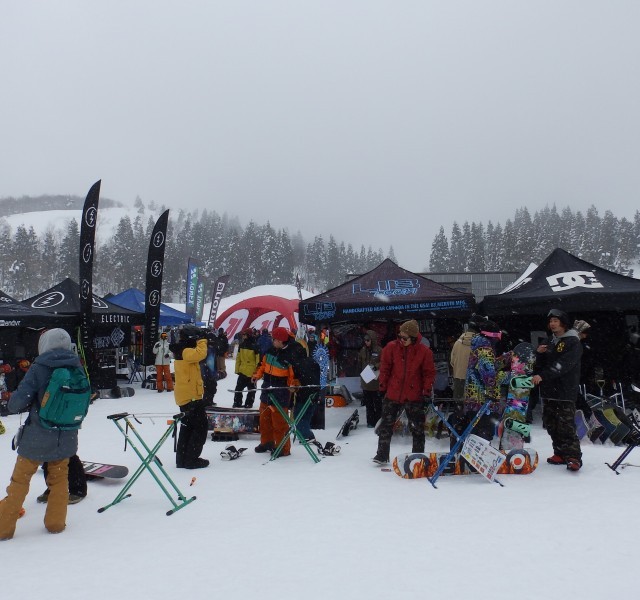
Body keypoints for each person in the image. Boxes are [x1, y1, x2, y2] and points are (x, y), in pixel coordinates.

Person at [0, 328, 82, 540]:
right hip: (66, 435)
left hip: (37, 435)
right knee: (59, 481)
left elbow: (17, 402)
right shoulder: (77, 367)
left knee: (20, 481)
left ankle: (4, 529)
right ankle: (55, 524)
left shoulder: (40, 367)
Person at [373, 320, 436, 465]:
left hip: (414, 396)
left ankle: (418, 456)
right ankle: (382, 455)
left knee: (417, 429)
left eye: (405, 338)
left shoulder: (424, 352)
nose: (401, 340)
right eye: (399, 336)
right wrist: (382, 388)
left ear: (413, 338)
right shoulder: (391, 347)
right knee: (386, 426)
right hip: (393, 393)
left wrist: (426, 392)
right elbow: (385, 369)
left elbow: (429, 373)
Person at [532, 309, 583, 472]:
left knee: (565, 424)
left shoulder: (573, 342)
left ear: (563, 322)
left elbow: (564, 365)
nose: (552, 324)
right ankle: (559, 453)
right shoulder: (549, 341)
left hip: (565, 390)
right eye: (550, 321)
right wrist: (538, 354)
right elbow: (540, 364)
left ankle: (573, 456)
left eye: (555, 320)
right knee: (551, 423)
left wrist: (543, 375)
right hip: (549, 391)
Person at [169, 325, 210, 469]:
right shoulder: (185, 351)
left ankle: (182, 459)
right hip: (191, 396)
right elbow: (201, 353)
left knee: (187, 428)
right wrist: (202, 340)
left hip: (186, 395)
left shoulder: (181, 349)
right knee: (199, 428)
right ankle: (191, 459)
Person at [251, 327, 296, 457]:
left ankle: (283, 448)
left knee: (279, 423)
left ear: (281, 341)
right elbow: (262, 366)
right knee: (264, 420)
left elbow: (293, 376)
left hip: (280, 392)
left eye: (275, 339)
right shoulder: (269, 351)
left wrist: (292, 386)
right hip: (267, 388)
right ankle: (267, 442)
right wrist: (257, 375)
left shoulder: (290, 356)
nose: (272, 341)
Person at [358, 330, 383, 428]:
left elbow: (385, 362)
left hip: (376, 382)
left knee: (378, 404)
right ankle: (370, 422)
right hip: (366, 381)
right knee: (369, 405)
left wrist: (376, 366)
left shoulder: (380, 350)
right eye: (365, 340)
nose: (366, 342)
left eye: (368, 340)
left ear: (372, 340)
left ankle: (378, 422)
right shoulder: (363, 350)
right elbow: (360, 362)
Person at [233, 329, 260, 408]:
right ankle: (248, 403)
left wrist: (237, 369)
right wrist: (256, 372)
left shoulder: (242, 345)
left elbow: (238, 358)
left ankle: (237, 403)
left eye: (244, 335)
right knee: (251, 390)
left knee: (239, 388)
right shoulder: (255, 346)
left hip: (243, 370)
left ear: (248, 335)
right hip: (251, 371)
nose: (243, 336)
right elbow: (257, 361)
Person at [574, 319, 593, 419]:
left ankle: (587, 414)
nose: (586, 336)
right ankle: (587, 415)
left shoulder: (579, 343)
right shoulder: (573, 342)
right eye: (584, 333)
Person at [450, 325, 475, 400]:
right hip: (475, 381)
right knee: (474, 408)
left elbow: (452, 362)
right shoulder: (481, 343)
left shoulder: (457, 343)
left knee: (459, 404)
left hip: (459, 379)